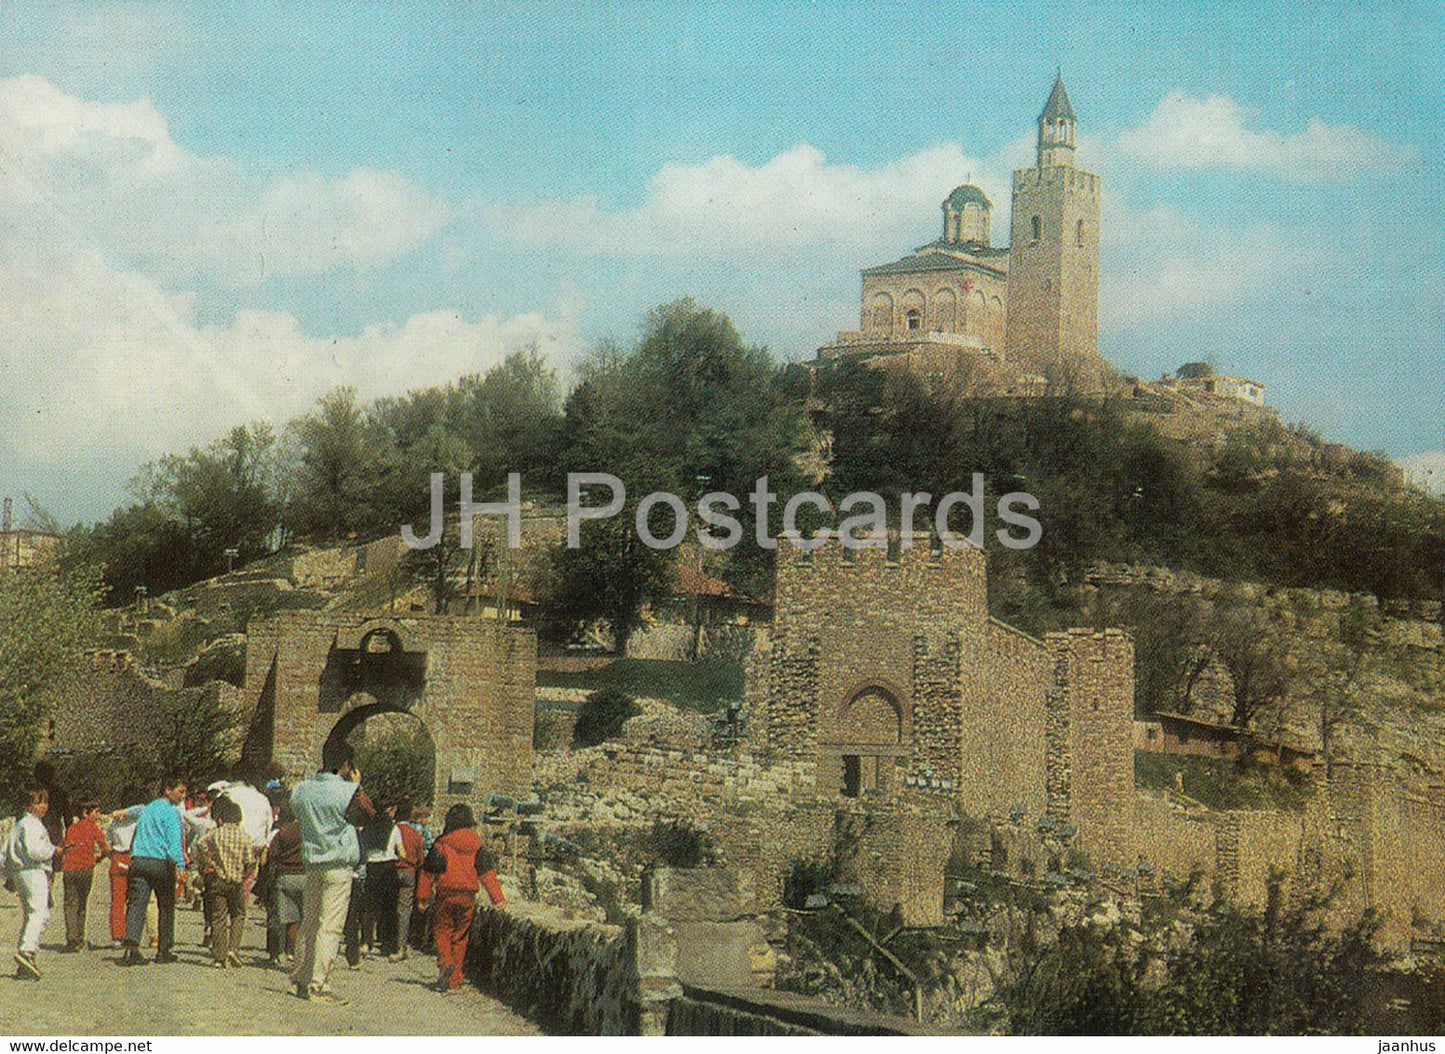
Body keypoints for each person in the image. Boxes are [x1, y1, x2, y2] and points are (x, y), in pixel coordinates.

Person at [289, 744, 374, 1005]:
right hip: (337, 864)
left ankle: (300, 979)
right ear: (346, 765)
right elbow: (369, 815)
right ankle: (319, 985)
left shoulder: (301, 790)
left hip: (312, 862)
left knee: (310, 923)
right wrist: (356, 785)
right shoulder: (348, 791)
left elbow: (296, 813)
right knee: (330, 926)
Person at [422, 803, 505, 994]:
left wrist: (423, 897)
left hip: (445, 895)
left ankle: (445, 963)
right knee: (461, 936)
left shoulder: (441, 844)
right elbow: (488, 874)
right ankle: (455, 978)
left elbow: (429, 872)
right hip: (467, 897)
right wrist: (498, 898)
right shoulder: (477, 845)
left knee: (442, 931)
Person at [118, 776, 187, 966]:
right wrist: (180, 865)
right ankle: (163, 950)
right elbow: (174, 842)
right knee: (165, 905)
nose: (183, 796)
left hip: (139, 860)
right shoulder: (172, 813)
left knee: (137, 904)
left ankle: (131, 946)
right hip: (160, 862)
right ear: (168, 790)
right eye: (180, 791)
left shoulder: (148, 809)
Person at [190, 796, 260, 968]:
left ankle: (219, 956)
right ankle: (233, 949)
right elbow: (251, 860)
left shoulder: (216, 833)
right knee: (238, 914)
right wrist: (245, 875)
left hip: (218, 879)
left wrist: (209, 862)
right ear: (239, 818)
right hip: (236, 881)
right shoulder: (245, 836)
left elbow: (199, 844)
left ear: (222, 817)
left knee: (218, 917)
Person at [4, 786, 60, 980]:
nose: (44, 806)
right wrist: (53, 850)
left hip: (21, 872)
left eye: (45, 802)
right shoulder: (32, 825)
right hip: (33, 871)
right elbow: (35, 851)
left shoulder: (19, 825)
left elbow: (5, 852)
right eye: (39, 802)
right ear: (28, 805)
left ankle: (25, 960)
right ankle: (27, 950)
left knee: (30, 914)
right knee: (40, 913)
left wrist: (8, 874)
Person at [59, 797, 109, 951]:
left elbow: (64, 846)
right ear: (85, 813)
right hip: (86, 868)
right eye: (96, 812)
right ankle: (80, 938)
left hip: (69, 869)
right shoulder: (93, 828)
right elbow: (105, 848)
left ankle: (71, 939)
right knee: (82, 904)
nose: (98, 816)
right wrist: (99, 858)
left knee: (70, 904)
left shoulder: (71, 828)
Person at [359, 804, 402, 959]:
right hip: (388, 868)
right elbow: (402, 852)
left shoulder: (368, 829)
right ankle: (390, 947)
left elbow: (362, 851)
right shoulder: (394, 829)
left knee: (369, 908)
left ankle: (365, 942)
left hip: (372, 868)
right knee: (389, 909)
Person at [264, 804, 305, 967]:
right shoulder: (308, 832)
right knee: (301, 919)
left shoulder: (281, 833)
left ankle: (277, 953)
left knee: (282, 917)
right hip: (305, 875)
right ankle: (295, 953)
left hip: (284, 876)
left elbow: (271, 855)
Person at [393, 799, 425, 960]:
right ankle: (401, 946)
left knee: (389, 906)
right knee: (404, 910)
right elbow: (421, 860)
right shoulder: (415, 834)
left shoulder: (392, 830)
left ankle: (386, 941)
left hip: (392, 870)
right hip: (409, 872)